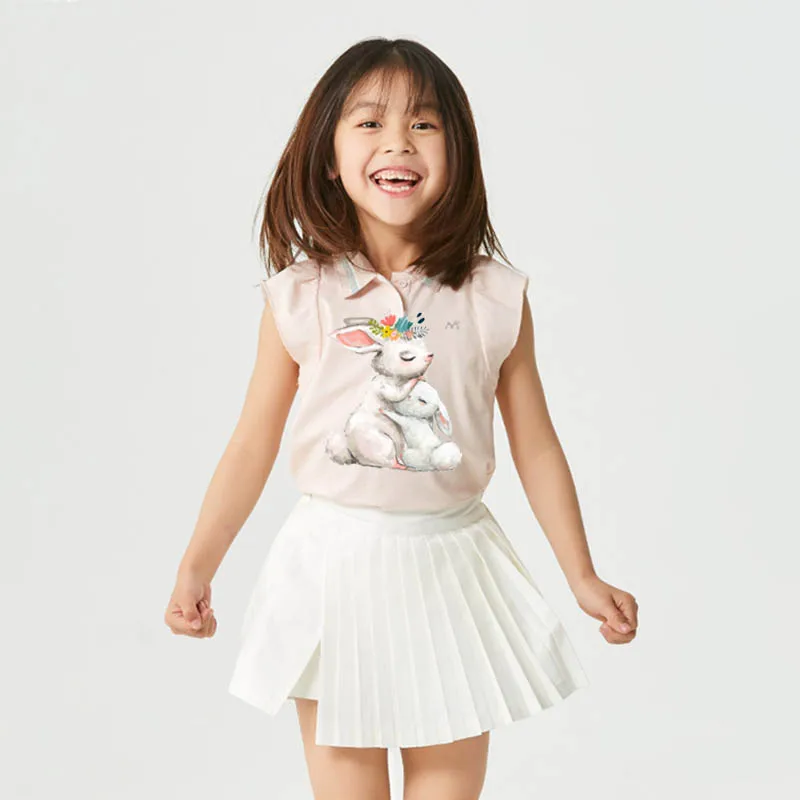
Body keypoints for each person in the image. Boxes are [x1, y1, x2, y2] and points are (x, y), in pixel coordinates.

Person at [164, 37, 638, 800]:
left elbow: (537, 445)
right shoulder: (301, 297)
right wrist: (197, 565)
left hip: (455, 570)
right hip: (330, 574)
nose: (397, 143)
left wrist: (580, 574)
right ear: (328, 157)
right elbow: (252, 443)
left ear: (458, 152)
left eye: (423, 124)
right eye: (369, 123)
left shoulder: (494, 296)